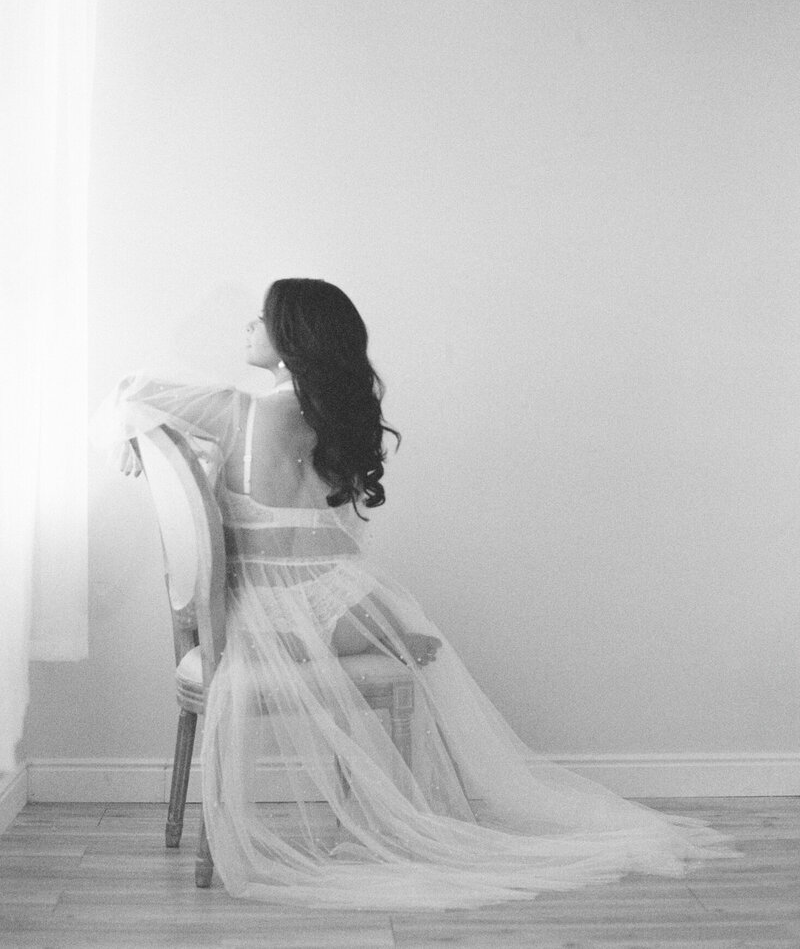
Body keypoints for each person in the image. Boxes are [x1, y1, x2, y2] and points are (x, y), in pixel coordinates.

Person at [94, 278, 735, 910]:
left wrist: (139, 435)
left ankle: (388, 810)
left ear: (288, 341)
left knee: (407, 637)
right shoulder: (310, 412)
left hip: (259, 613)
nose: (248, 329)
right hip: (313, 604)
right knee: (412, 641)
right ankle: (401, 810)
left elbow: (133, 388)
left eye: (259, 320)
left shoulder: (247, 410)